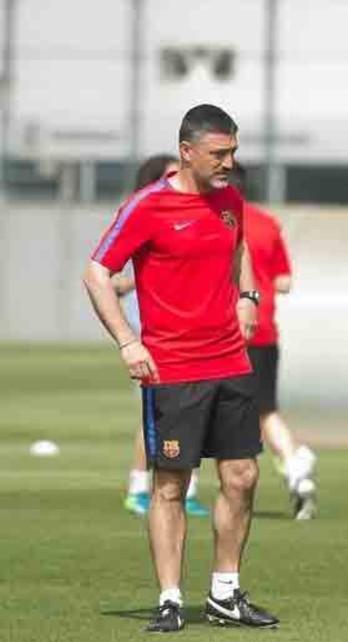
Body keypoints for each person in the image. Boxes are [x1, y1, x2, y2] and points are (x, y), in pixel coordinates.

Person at [83, 103, 278, 634]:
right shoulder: (147, 206)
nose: (229, 163)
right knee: (170, 484)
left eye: (234, 152)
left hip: (230, 362)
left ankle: (225, 594)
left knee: (243, 476)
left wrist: (247, 296)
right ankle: (169, 598)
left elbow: (239, 250)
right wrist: (127, 340)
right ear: (186, 153)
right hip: (172, 369)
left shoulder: (231, 200)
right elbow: (97, 273)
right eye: (219, 154)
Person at [117, 154, 211, 519]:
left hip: (199, 334)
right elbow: (107, 273)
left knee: (195, 414)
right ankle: (139, 488)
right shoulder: (146, 213)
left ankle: (185, 492)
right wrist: (127, 285)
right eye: (172, 174)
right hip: (161, 337)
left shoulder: (202, 212)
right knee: (157, 416)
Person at [229, 163, 319, 520]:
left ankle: (183, 488)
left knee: (213, 410)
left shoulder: (213, 221)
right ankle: (297, 469)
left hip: (227, 329)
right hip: (265, 330)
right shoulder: (267, 223)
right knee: (266, 410)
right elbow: (284, 281)